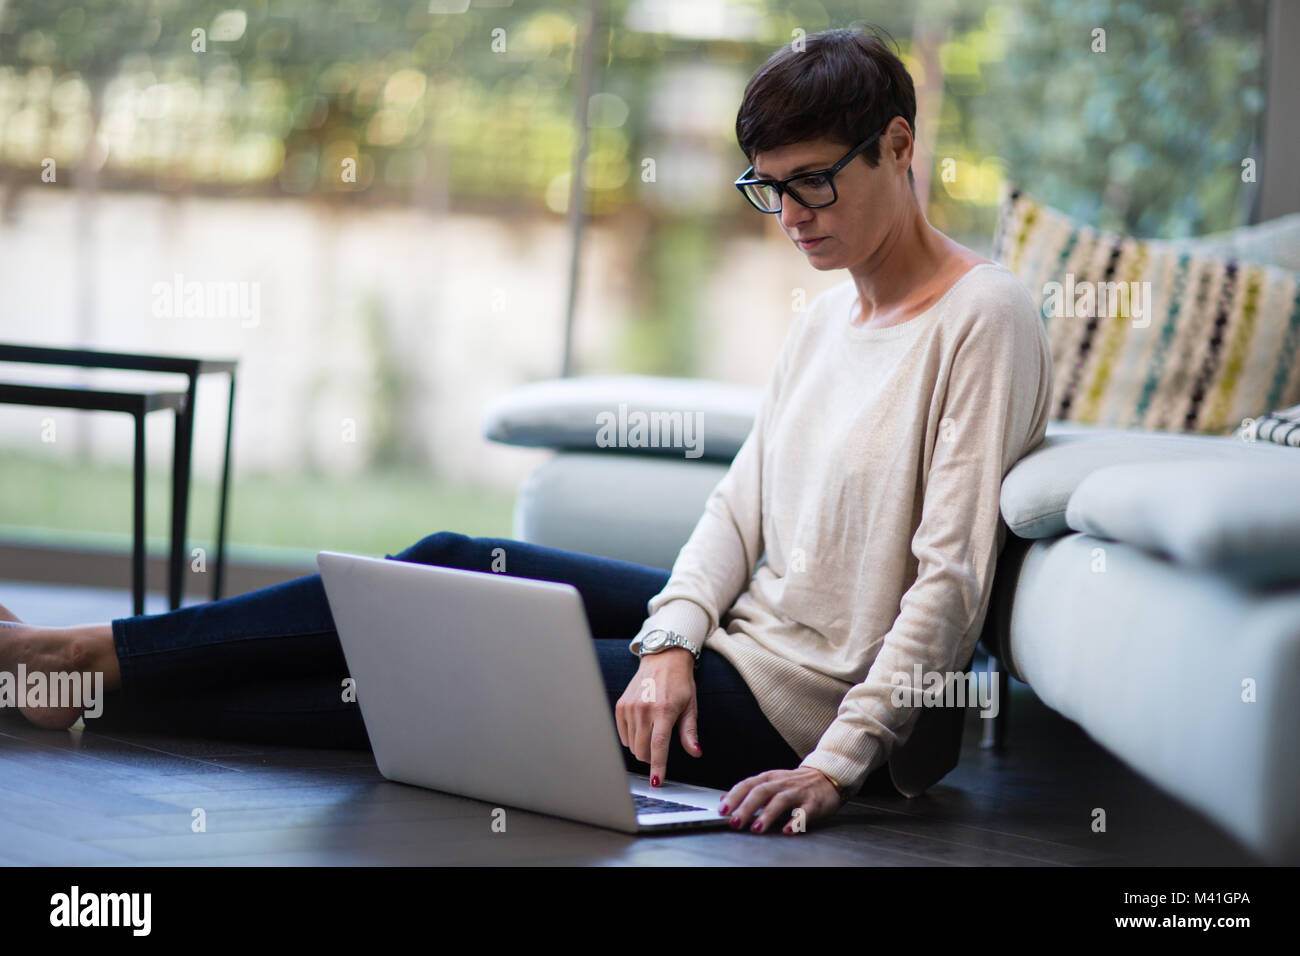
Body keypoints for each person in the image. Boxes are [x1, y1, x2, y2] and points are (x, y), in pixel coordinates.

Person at [0, 26, 1052, 837]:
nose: (791, 217)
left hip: (798, 703)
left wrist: (834, 760)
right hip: (734, 636)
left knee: (444, 679)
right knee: (450, 562)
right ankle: (86, 656)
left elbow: (949, 579)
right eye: (767, 191)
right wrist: (672, 638)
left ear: (900, 146)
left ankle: (77, 675)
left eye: (812, 181)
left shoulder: (983, 316)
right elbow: (738, 507)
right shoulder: (825, 314)